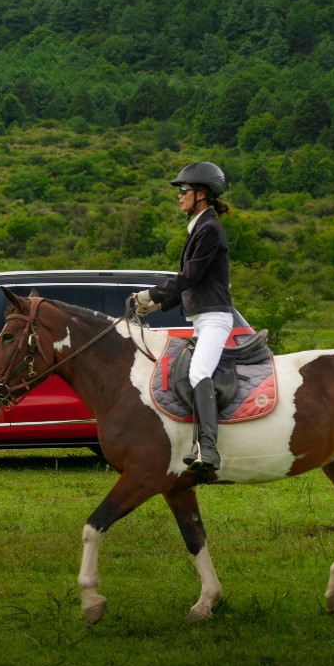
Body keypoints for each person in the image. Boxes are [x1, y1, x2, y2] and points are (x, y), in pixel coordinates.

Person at [135, 162, 233, 476]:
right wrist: (155, 306)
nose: (179, 196)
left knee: (199, 371)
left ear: (200, 194)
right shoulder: (201, 228)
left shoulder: (209, 229)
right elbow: (192, 280)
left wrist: (152, 296)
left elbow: (189, 276)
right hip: (202, 318)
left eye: (183, 190)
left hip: (215, 318)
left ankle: (209, 449)